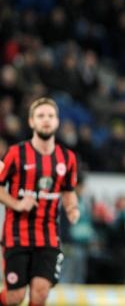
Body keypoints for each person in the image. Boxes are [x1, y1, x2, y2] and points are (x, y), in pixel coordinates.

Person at [0, 97, 80, 306]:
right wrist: (16, 203)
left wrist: (72, 207)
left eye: (51, 116)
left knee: (40, 292)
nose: (46, 120)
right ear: (31, 122)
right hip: (17, 234)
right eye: (41, 116)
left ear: (57, 121)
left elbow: (68, 190)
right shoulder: (16, 154)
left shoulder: (67, 158)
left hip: (48, 236)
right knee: (15, 297)